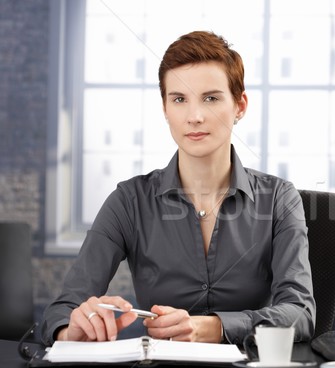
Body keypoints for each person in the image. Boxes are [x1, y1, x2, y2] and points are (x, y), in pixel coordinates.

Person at [41, 31, 316, 346]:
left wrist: (211, 328)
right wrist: (70, 330)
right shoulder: (128, 201)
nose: (194, 117)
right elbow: (63, 309)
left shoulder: (280, 198)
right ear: (165, 108)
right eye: (179, 99)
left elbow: (301, 313)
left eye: (211, 98)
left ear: (240, 106)